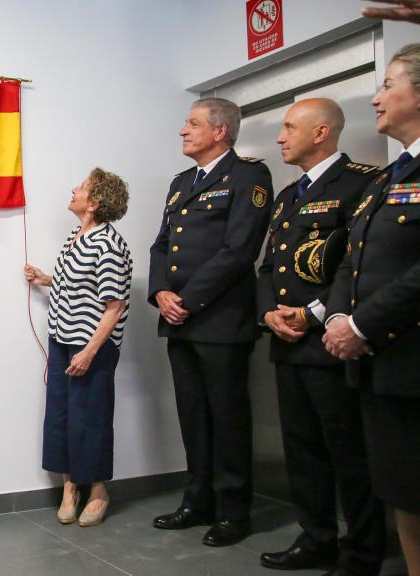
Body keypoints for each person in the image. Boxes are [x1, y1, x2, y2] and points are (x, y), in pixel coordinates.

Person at [256, 99, 385, 576]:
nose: (280, 136)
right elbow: (269, 267)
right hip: (286, 345)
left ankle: (364, 551)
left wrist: (312, 314)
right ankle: (316, 538)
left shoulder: (363, 183)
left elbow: (362, 264)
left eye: (290, 127)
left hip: (332, 343)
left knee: (349, 454)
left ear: (321, 133)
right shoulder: (289, 195)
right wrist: (268, 312)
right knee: (303, 451)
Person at [148, 97, 273, 547]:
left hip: (220, 320)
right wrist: (161, 293)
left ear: (220, 131)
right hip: (179, 320)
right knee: (193, 415)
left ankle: (233, 511)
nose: (184, 130)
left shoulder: (249, 176)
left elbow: (239, 250)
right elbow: (161, 244)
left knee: (227, 416)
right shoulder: (182, 182)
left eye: (193, 123)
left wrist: (187, 300)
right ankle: (197, 499)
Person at [324, 43, 420, 576]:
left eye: (387, 85)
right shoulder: (388, 177)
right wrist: (339, 317)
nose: (376, 97)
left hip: (409, 354)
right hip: (384, 369)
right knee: (405, 494)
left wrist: (362, 323)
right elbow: (350, 261)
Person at [24, 168, 132, 529]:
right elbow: (80, 281)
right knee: (61, 414)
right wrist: (46, 279)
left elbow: (114, 306)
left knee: (91, 417)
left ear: (95, 202)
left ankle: (98, 491)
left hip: (91, 346)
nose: (73, 190)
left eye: (82, 187)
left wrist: (88, 352)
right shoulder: (77, 234)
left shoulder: (109, 244)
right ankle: (69, 487)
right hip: (61, 338)